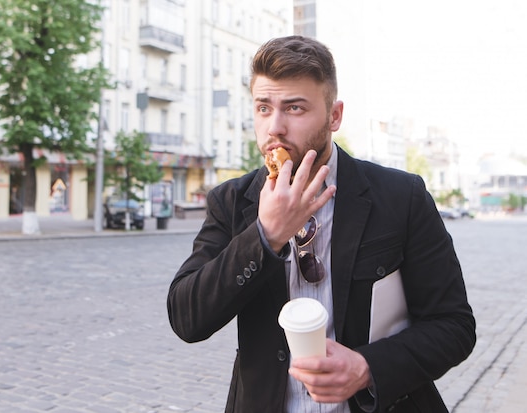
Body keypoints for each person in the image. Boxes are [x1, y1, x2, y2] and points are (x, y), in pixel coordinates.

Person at [167, 35, 476, 413]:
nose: (274, 128)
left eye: (294, 108)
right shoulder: (231, 201)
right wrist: (265, 235)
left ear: (334, 116)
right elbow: (187, 319)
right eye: (263, 108)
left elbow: (454, 326)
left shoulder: (401, 196)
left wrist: (367, 368)